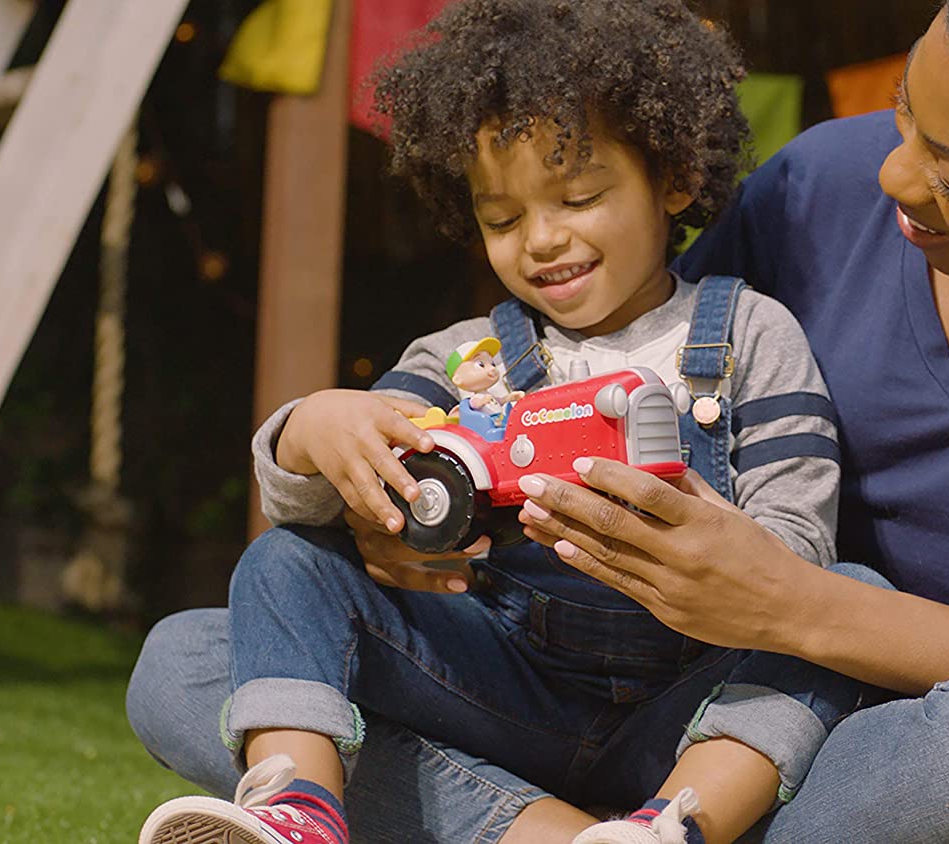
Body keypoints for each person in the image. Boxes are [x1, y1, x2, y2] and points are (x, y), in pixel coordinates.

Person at [128, 0, 949, 841]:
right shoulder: (822, 186)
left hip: (825, 745)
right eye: (903, 114)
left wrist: (799, 606)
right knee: (192, 660)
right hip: (575, 694)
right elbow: (612, 339)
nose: (893, 176)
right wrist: (379, 482)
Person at [132, 2, 849, 843]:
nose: (541, 240)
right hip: (500, 689)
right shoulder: (463, 359)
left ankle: (671, 829)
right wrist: (311, 429)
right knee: (275, 570)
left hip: (685, 709)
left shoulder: (753, 336)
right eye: (502, 218)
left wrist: (700, 533)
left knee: (845, 607)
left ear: (674, 176)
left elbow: (799, 548)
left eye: (578, 196)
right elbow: (345, 498)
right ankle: (297, 808)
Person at [446, 338, 520, 441]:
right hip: (488, 424)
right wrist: (483, 401)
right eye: (481, 364)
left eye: (492, 363)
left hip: (501, 420)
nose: (492, 368)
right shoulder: (474, 399)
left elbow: (498, 401)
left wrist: (509, 398)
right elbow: (475, 404)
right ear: (458, 379)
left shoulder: (488, 395)